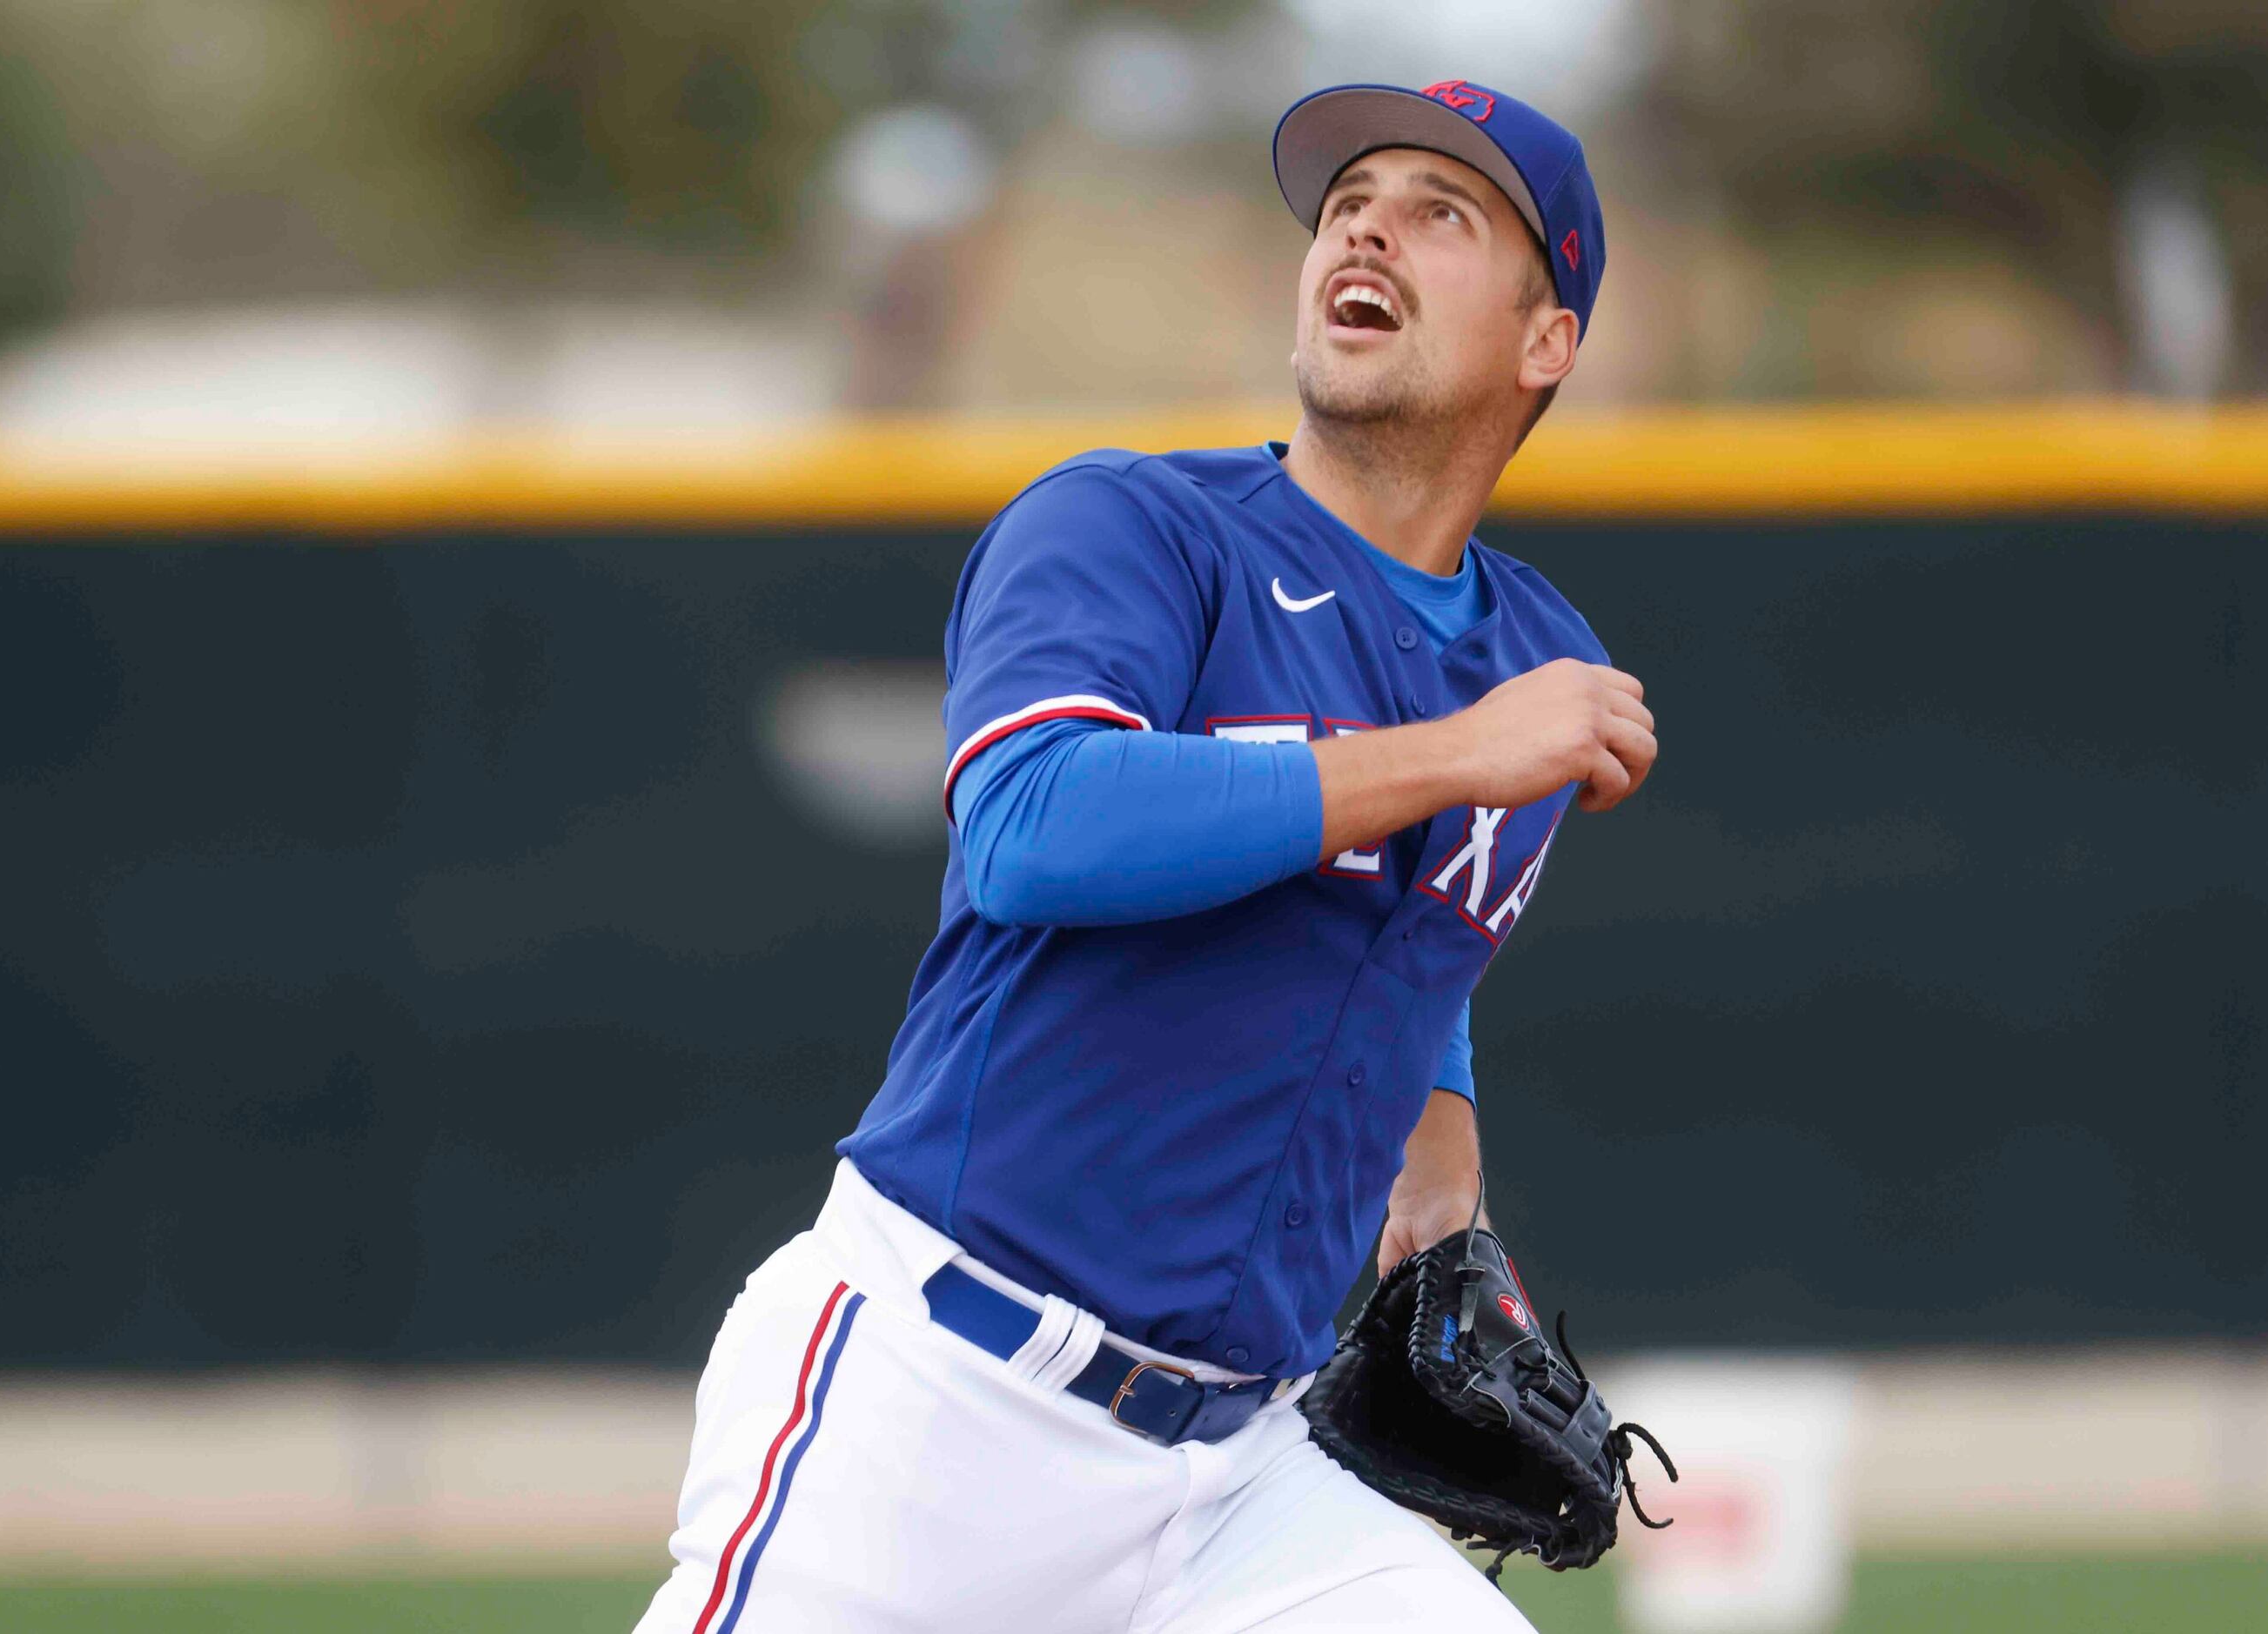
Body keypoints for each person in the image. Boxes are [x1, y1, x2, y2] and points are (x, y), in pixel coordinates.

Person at [638, 77, 1657, 1634]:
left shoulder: (1534, 656)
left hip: (1245, 1473)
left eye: (1439, 212)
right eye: (1347, 202)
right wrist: (1459, 754)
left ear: (1546, 343)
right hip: (941, 1402)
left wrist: (1439, 1138)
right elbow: (1038, 823)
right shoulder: (1136, 528)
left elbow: (1406, 925)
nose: (1365, 226)